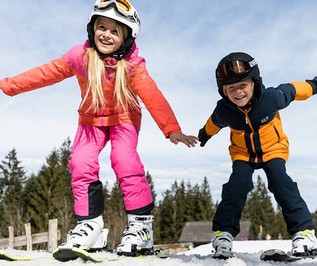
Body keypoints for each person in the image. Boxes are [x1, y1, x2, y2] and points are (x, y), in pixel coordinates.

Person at [0, 0, 197, 257]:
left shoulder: (133, 66)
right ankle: (90, 226)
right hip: (91, 119)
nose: (106, 34)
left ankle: (141, 227)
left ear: (127, 37)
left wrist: (171, 128)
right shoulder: (80, 57)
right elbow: (45, 73)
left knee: (123, 159)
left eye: (115, 31)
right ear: (92, 28)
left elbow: (152, 95)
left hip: (125, 117)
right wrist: (7, 85)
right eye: (102, 27)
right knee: (80, 162)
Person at [197, 52, 317, 258]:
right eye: (231, 88)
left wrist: (314, 85)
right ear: (223, 91)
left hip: (272, 149)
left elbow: (293, 90)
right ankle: (223, 235)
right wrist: (204, 134)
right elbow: (213, 123)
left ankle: (303, 232)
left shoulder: (270, 98)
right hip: (243, 154)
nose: (237, 92)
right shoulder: (225, 109)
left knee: (280, 181)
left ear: (254, 83)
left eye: (243, 85)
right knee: (236, 187)